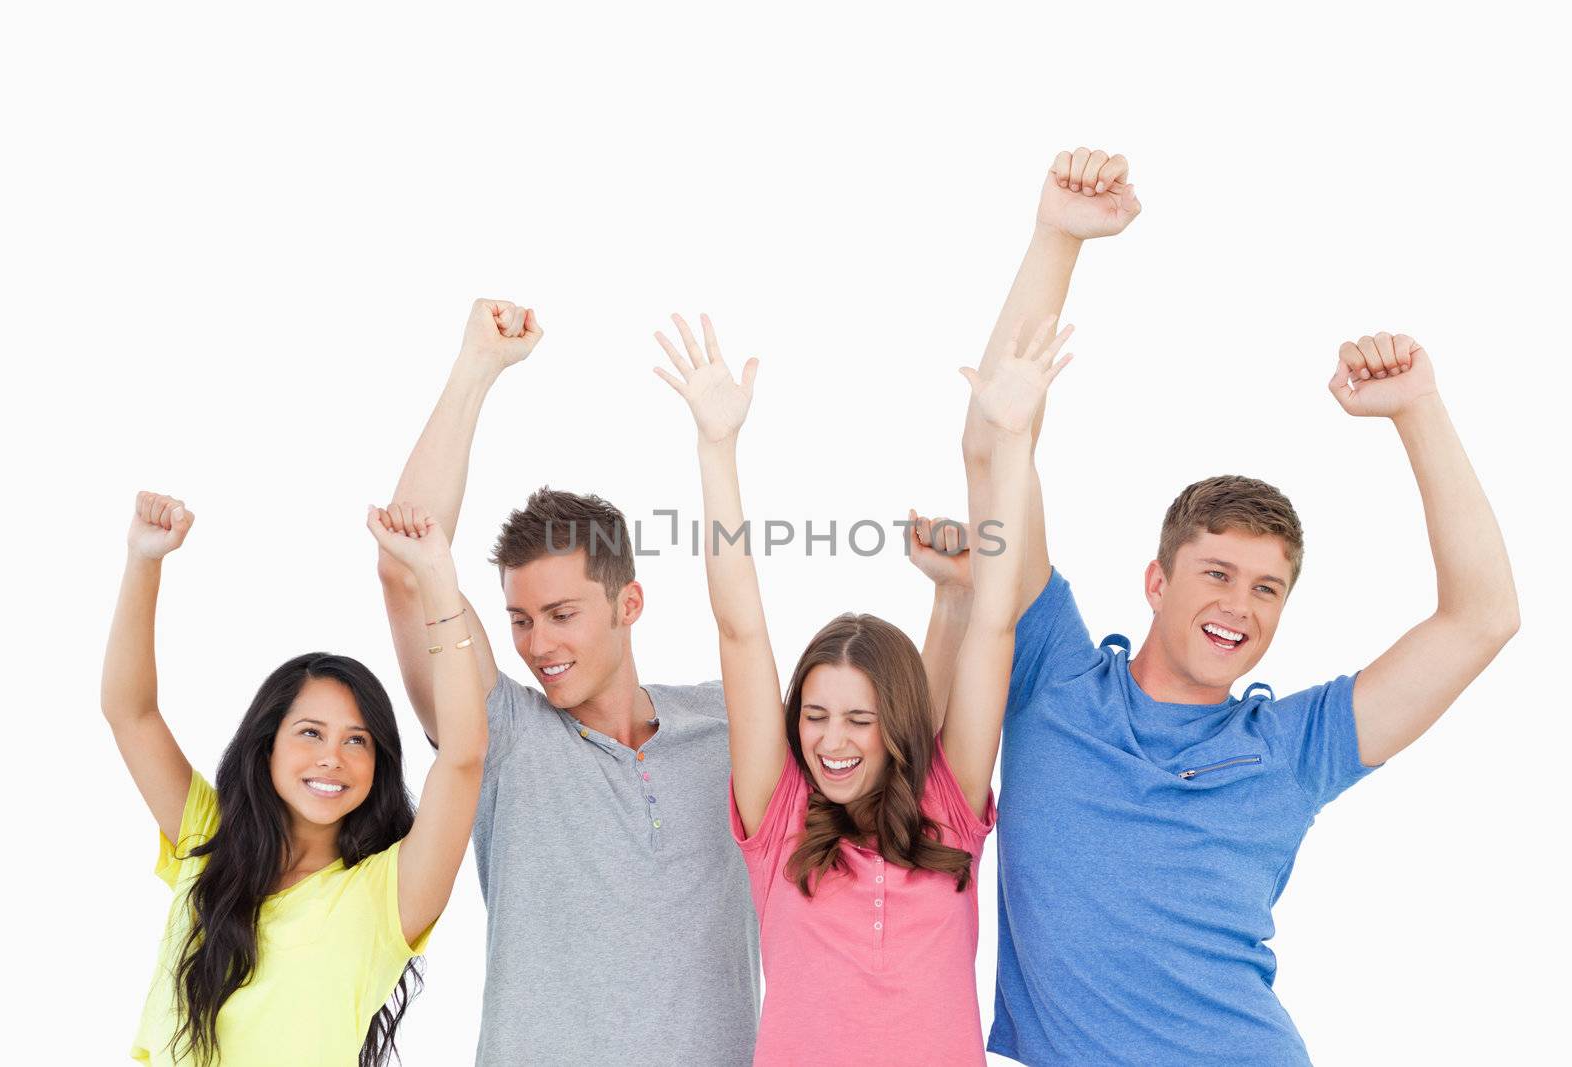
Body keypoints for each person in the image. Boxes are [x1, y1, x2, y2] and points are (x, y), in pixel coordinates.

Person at [932, 156, 1520, 1062]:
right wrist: (1057, 236)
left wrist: (1419, 410)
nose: (1239, 605)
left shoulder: (1295, 743)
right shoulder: (1052, 672)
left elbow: (1482, 617)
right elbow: (991, 445)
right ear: (1157, 581)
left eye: (1266, 587)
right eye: (1216, 573)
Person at [651, 310, 1073, 1065]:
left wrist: (1012, 443)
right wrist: (717, 448)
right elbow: (740, 628)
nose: (831, 740)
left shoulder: (949, 808)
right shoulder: (777, 818)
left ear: (898, 725)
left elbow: (995, 628)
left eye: (858, 719)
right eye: (814, 715)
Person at [373, 302, 760, 1067]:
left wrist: (718, 449)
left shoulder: (726, 725)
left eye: (559, 614)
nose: (536, 645)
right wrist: (475, 367)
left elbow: (757, 635)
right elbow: (403, 566)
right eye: (519, 619)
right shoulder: (503, 738)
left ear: (629, 603)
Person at [105, 491, 486, 1065]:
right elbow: (129, 713)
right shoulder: (210, 843)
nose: (332, 757)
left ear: (378, 763)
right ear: (267, 748)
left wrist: (435, 577)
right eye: (310, 733)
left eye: (357, 740)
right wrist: (143, 560)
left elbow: (462, 756)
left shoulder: (389, 894)